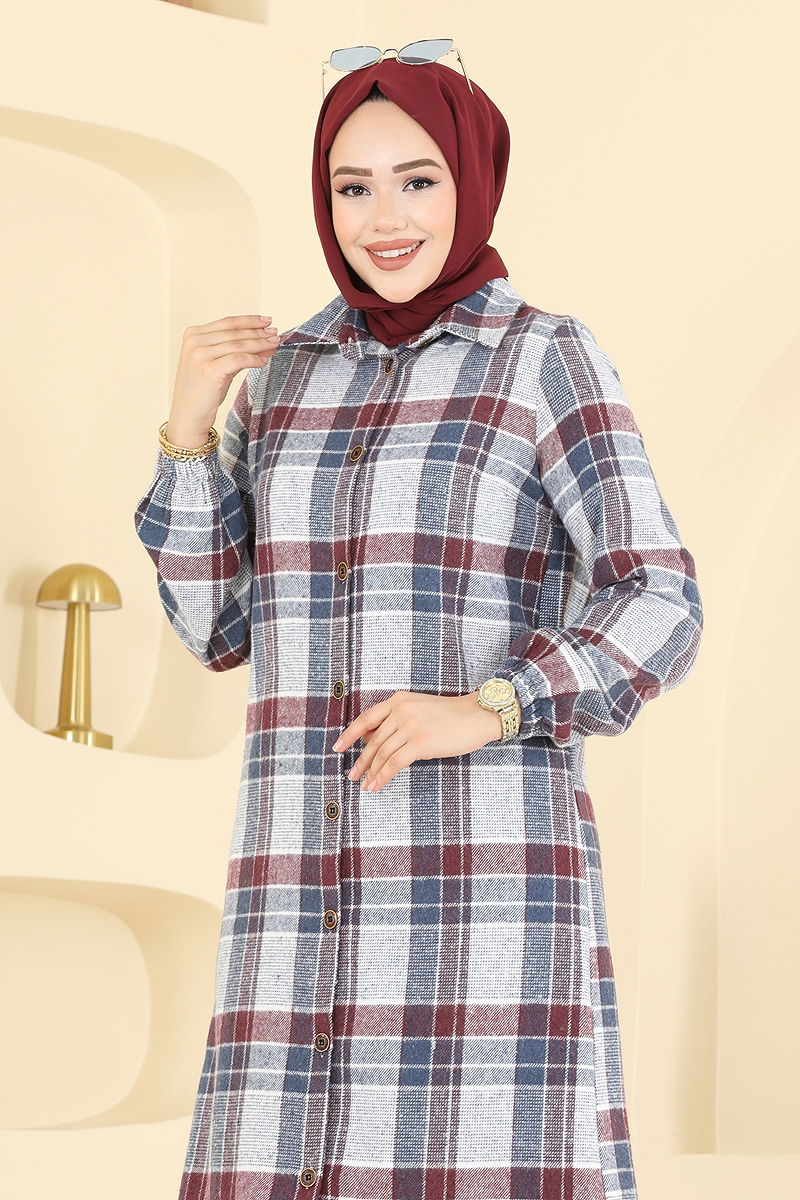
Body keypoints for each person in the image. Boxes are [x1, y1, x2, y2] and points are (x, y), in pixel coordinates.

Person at [134, 46, 703, 1200]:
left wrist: (490, 705)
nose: (382, 219)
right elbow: (220, 627)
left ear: (472, 182)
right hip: (296, 892)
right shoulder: (286, 377)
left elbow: (659, 597)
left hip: (476, 887)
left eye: (417, 180)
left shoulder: (541, 359)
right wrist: (188, 434)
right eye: (352, 186)